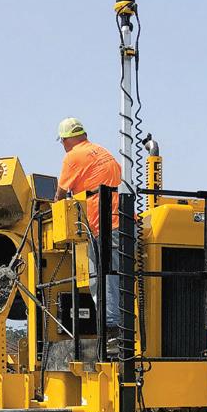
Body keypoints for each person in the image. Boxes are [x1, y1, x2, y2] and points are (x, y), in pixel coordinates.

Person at [55, 118, 122, 350]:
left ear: (66, 139)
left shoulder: (73, 156)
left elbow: (60, 194)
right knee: (118, 275)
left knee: (100, 277)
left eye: (62, 142)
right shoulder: (102, 151)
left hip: (102, 222)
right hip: (120, 218)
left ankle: (112, 331)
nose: (63, 146)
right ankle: (119, 326)